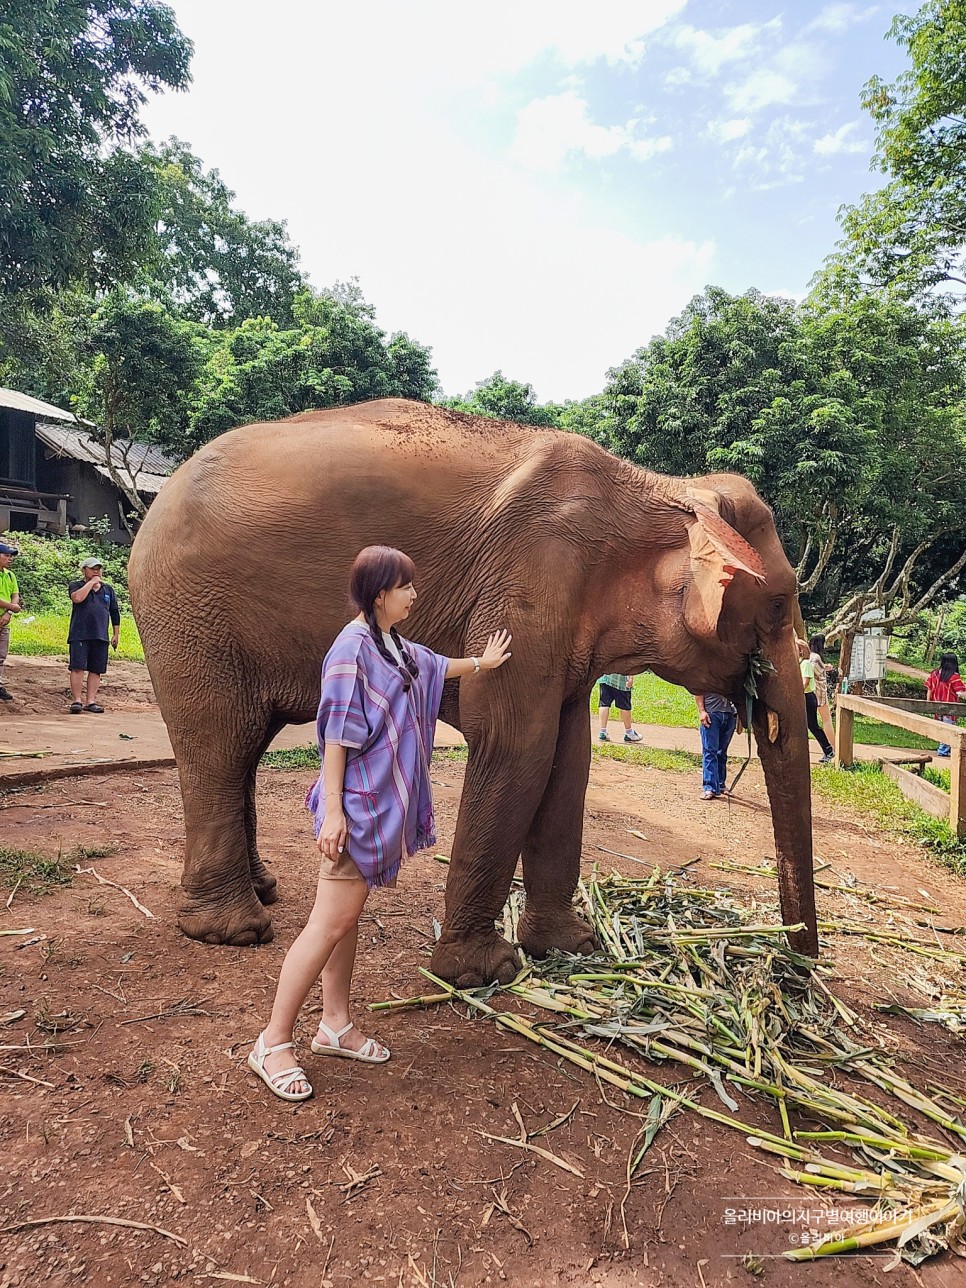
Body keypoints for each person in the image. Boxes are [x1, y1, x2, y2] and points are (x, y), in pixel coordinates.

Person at [248, 545, 512, 1102]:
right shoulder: (351, 649)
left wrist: (481, 666)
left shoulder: (392, 645)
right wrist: (336, 810)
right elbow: (337, 735)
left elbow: (434, 667)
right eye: (405, 586)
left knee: (343, 920)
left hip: (376, 805)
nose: (414, 594)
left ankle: (335, 1025)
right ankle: (272, 1042)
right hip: (358, 808)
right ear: (379, 596)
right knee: (327, 923)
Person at [67, 557, 121, 714]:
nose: (96, 571)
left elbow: (114, 612)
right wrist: (91, 583)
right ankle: (77, 700)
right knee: (77, 667)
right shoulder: (76, 585)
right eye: (92, 568)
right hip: (80, 633)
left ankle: (91, 701)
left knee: (96, 669)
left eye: (98, 568)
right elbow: (77, 598)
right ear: (84, 570)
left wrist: (116, 634)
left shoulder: (108, 590)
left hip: (100, 635)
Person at [696, 693, 737, 800]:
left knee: (722, 752)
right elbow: (697, 690)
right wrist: (702, 711)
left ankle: (720, 784)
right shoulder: (705, 676)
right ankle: (709, 788)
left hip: (729, 715)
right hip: (712, 714)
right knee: (710, 751)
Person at [799, 638, 834, 763]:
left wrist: (797, 692)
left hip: (809, 696)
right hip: (809, 695)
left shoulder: (806, 663)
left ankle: (829, 750)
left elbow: (806, 681)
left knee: (813, 725)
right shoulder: (802, 662)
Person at [925, 652, 965, 757]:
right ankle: (942, 751)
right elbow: (960, 693)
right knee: (949, 729)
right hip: (949, 709)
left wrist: (928, 704)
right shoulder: (954, 677)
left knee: (942, 728)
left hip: (937, 707)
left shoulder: (934, 674)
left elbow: (929, 689)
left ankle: (945, 749)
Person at [0, 540, 21, 702]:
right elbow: (13, 603)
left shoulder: (10, 575)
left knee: (1, 656)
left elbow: (15, 595)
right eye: (6, 555)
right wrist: (12, 607)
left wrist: (8, 612)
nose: (10, 558)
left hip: (4, 621)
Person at [597, 673, 642, 743]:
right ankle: (629, 733)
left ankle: (602, 732)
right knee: (625, 706)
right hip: (622, 681)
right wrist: (631, 678)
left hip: (606, 678)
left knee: (604, 704)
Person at [809, 634, 835, 748]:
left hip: (812, 692)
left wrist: (825, 667)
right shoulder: (816, 657)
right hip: (820, 692)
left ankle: (829, 747)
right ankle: (833, 747)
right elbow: (815, 669)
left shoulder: (809, 656)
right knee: (826, 720)